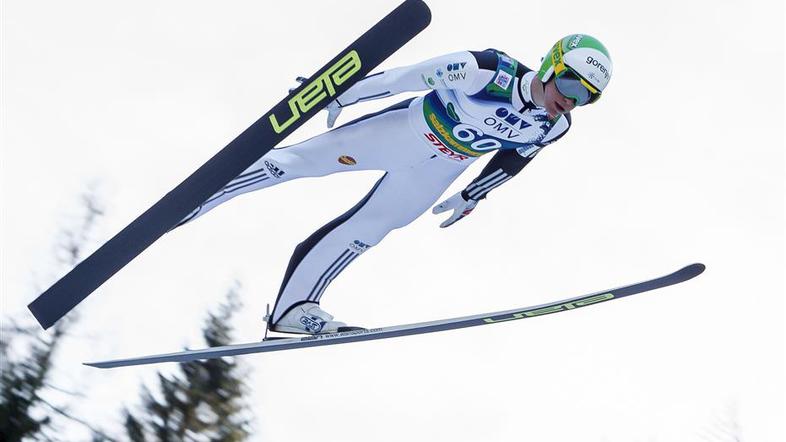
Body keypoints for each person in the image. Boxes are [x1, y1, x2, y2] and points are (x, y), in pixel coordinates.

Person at [175, 34, 614, 335]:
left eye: (587, 97)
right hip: (400, 133)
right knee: (297, 162)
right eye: (572, 83)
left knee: (368, 232)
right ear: (552, 64)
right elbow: (405, 77)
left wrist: (470, 195)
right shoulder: (485, 70)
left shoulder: (553, 127)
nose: (572, 100)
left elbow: (514, 159)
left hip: (436, 171)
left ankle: (295, 309)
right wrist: (343, 93)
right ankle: (200, 197)